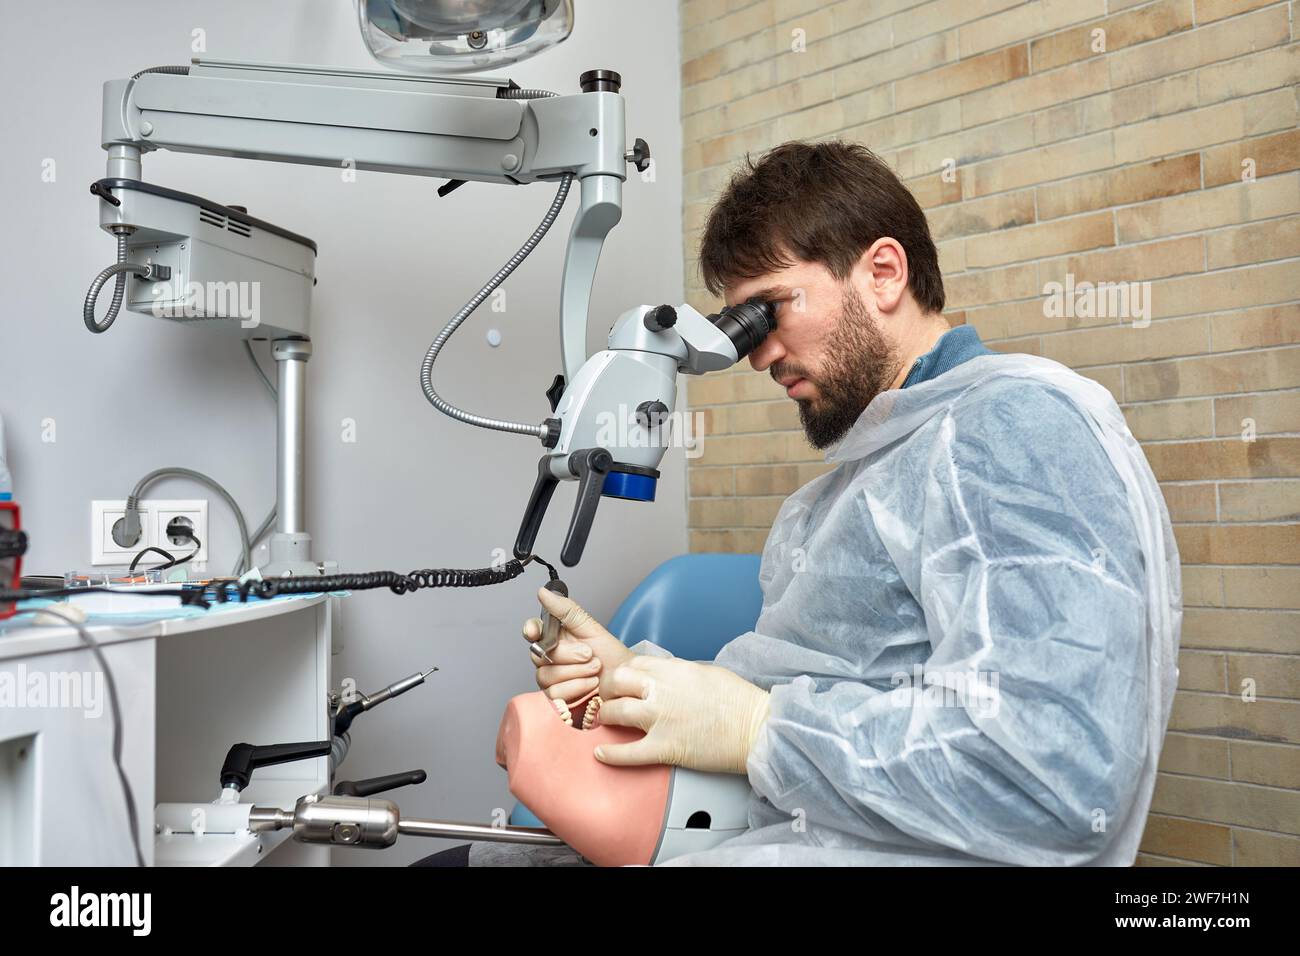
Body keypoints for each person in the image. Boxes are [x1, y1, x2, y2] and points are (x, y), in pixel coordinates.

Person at [427, 140, 1181, 867]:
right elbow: (833, 685)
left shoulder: (1011, 430)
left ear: (882, 273)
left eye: (768, 311)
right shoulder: (843, 491)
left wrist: (761, 727)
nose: (755, 355)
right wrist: (640, 684)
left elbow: (1057, 776)